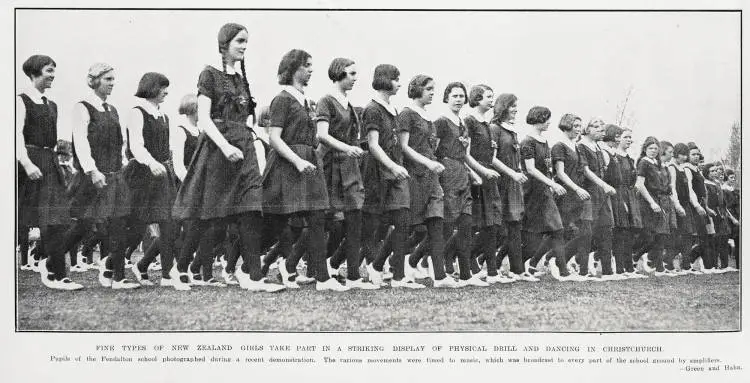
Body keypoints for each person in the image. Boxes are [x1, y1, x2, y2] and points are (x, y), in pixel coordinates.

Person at [173, 23, 284, 292]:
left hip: (244, 148)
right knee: (207, 216)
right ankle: (179, 269)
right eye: (240, 41)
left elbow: (247, 120)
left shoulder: (241, 79)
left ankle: (253, 277)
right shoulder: (209, 74)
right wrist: (224, 147)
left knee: (250, 210)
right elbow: (204, 119)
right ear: (225, 44)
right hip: (217, 149)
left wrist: (261, 141)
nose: (244, 46)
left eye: (246, 42)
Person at [262, 49, 348, 291]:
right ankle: (249, 269)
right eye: (307, 65)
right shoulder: (282, 99)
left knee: (317, 217)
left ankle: (322, 278)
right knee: (275, 222)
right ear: (293, 68)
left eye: (312, 65)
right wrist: (297, 161)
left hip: (309, 161)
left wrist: (314, 159)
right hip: (287, 164)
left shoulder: (306, 100)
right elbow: (274, 138)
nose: (311, 69)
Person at [69, 62, 138, 289]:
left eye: (113, 79)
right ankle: (51, 262)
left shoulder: (113, 110)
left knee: (119, 225)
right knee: (83, 226)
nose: (112, 83)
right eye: (108, 79)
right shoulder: (83, 107)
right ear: (95, 81)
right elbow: (80, 142)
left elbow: (119, 144)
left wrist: (121, 168)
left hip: (114, 176)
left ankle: (117, 276)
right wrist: (92, 170)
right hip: (92, 178)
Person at [17, 55, 81, 290]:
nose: (52, 75)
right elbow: (16, 135)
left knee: (58, 218)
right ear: (34, 73)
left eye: (54, 71)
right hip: (30, 163)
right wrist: (26, 163)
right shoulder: (21, 100)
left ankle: (52, 269)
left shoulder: (51, 104)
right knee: (32, 219)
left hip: (50, 163)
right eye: (48, 71)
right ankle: (51, 268)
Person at [314, 58, 378, 289]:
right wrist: (347, 148)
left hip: (349, 168)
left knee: (355, 219)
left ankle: (353, 276)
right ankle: (319, 273)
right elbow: (322, 135)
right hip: (331, 166)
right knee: (325, 222)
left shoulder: (348, 103)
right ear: (339, 73)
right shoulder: (326, 101)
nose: (355, 78)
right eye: (351, 73)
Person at [398, 75, 458, 288]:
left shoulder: (428, 117)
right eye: (429, 89)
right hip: (414, 175)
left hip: (431, 177)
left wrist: (434, 166)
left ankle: (439, 276)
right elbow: (404, 146)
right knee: (410, 226)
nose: (433, 92)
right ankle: (383, 266)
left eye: (434, 89)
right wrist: (428, 163)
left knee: (436, 223)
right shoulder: (407, 114)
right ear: (416, 90)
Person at [124, 72, 182, 287]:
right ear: (150, 88)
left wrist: (167, 167)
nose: (166, 92)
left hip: (162, 175)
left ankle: (167, 274)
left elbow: (167, 149)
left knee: (169, 223)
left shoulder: (164, 116)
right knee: (137, 225)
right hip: (142, 174)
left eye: (167, 88)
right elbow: (136, 146)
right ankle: (111, 263)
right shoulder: (137, 112)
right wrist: (151, 163)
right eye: (162, 87)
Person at [360, 64, 414, 288]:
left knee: (403, 220)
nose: (399, 84)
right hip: (377, 172)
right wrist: (392, 166)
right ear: (384, 80)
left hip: (395, 171)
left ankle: (388, 269)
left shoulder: (394, 109)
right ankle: (375, 265)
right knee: (374, 225)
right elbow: (373, 145)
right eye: (396, 79)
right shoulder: (372, 109)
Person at [434, 82, 487, 287]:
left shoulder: (462, 124)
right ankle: (422, 262)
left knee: (466, 225)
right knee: (446, 225)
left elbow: (465, 155)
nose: (458, 99)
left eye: (461, 96)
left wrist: (477, 172)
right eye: (454, 95)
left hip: (462, 174)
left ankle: (466, 274)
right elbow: (434, 150)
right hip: (447, 174)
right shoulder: (441, 121)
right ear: (446, 98)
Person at [463, 85, 510, 284]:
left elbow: (490, 156)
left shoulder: (487, 124)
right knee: (476, 225)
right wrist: (478, 174)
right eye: (488, 97)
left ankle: (491, 272)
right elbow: (465, 153)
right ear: (477, 98)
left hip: (489, 177)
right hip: (477, 177)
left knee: (493, 226)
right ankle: (459, 261)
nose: (492, 100)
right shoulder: (470, 121)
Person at [519, 106, 571, 280]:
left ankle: (561, 271)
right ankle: (505, 264)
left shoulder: (543, 140)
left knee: (556, 229)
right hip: (533, 191)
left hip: (545, 191)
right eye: (547, 118)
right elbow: (531, 169)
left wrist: (550, 184)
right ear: (538, 119)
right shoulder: (527, 141)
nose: (549, 122)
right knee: (532, 234)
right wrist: (553, 184)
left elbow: (547, 168)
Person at [491, 93, 533, 281]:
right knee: (498, 229)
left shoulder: (513, 132)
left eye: (516, 106)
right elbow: (491, 159)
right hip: (501, 183)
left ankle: (518, 270)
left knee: (515, 226)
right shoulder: (494, 129)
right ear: (503, 107)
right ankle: (474, 262)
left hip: (514, 184)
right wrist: (512, 173)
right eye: (512, 106)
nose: (515, 109)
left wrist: (518, 174)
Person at [576, 118, 619, 280]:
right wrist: (603, 185)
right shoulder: (581, 146)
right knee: (587, 232)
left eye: (603, 127)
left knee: (606, 230)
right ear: (588, 129)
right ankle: (581, 270)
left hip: (602, 194)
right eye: (598, 127)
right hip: (589, 193)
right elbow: (586, 171)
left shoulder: (599, 147)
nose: (602, 131)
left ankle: (607, 271)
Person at [551, 114, 591, 281]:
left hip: (578, 195)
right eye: (575, 125)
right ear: (566, 126)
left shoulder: (578, 147)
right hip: (565, 193)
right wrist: (576, 188)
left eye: (579, 126)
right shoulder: (559, 146)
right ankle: (555, 263)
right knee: (561, 231)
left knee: (580, 232)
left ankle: (554, 260)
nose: (578, 129)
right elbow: (560, 173)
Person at [634, 137, 677, 277]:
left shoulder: (657, 163)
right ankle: (635, 256)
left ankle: (656, 266)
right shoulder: (643, 162)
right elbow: (639, 185)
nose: (653, 151)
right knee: (650, 235)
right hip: (648, 202)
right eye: (650, 148)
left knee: (661, 235)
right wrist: (652, 202)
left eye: (655, 149)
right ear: (645, 149)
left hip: (660, 200)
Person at [668, 143, 696, 275]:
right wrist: (677, 205)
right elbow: (672, 188)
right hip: (676, 205)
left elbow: (689, 190)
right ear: (676, 153)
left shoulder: (683, 168)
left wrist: (694, 205)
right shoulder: (671, 167)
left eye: (686, 155)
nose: (684, 157)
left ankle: (686, 265)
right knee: (678, 235)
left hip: (686, 205)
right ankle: (667, 262)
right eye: (682, 154)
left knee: (688, 234)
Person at [723, 168, 740, 270]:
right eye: (731, 177)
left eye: (734, 177)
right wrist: (733, 219)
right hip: (729, 218)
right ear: (726, 178)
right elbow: (725, 207)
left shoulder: (735, 190)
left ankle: (739, 265)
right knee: (723, 240)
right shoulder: (724, 190)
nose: (733, 179)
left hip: (737, 217)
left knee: (738, 240)